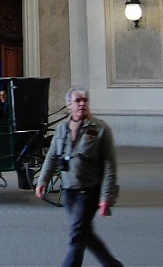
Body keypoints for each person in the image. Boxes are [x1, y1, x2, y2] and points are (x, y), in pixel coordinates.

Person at [35, 86, 122, 267]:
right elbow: (52, 156)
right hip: (69, 192)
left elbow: (109, 165)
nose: (82, 104)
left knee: (77, 235)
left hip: (88, 191)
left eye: (85, 100)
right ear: (69, 106)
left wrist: (106, 197)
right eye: (78, 101)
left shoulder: (100, 129)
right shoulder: (61, 129)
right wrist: (43, 180)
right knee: (85, 234)